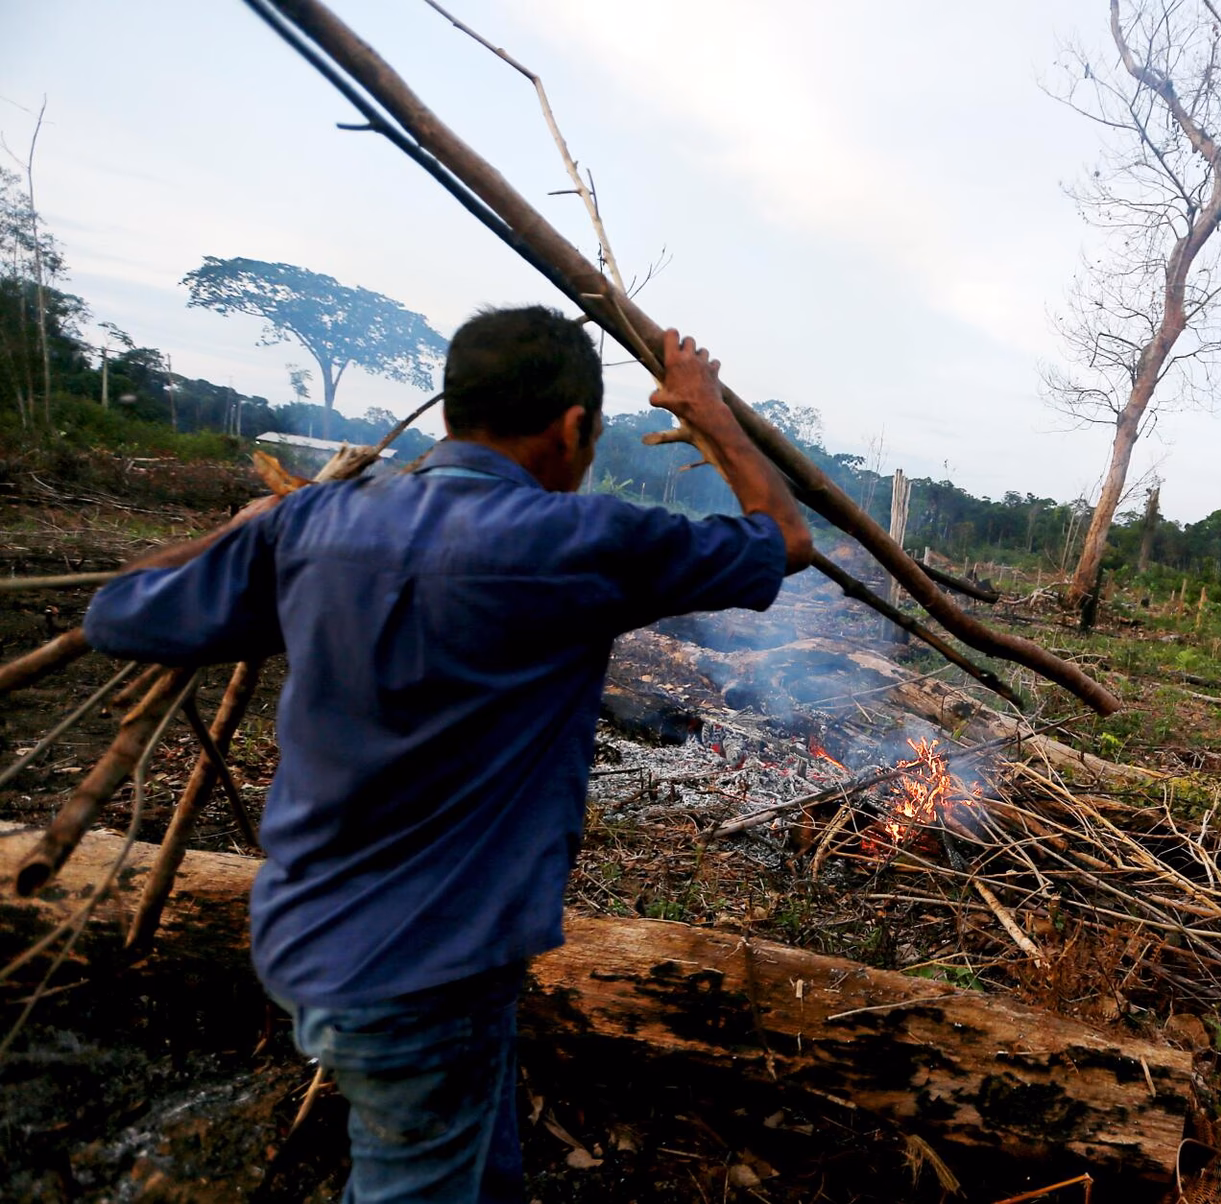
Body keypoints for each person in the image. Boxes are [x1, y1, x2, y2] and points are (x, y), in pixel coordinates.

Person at [83, 306, 813, 1202]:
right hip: (423, 972)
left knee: (471, 1162)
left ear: (452, 412)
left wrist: (254, 529)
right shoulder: (575, 542)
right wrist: (709, 412)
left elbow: (121, 612)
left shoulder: (314, 527)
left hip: (312, 931)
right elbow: (784, 540)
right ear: (574, 427)